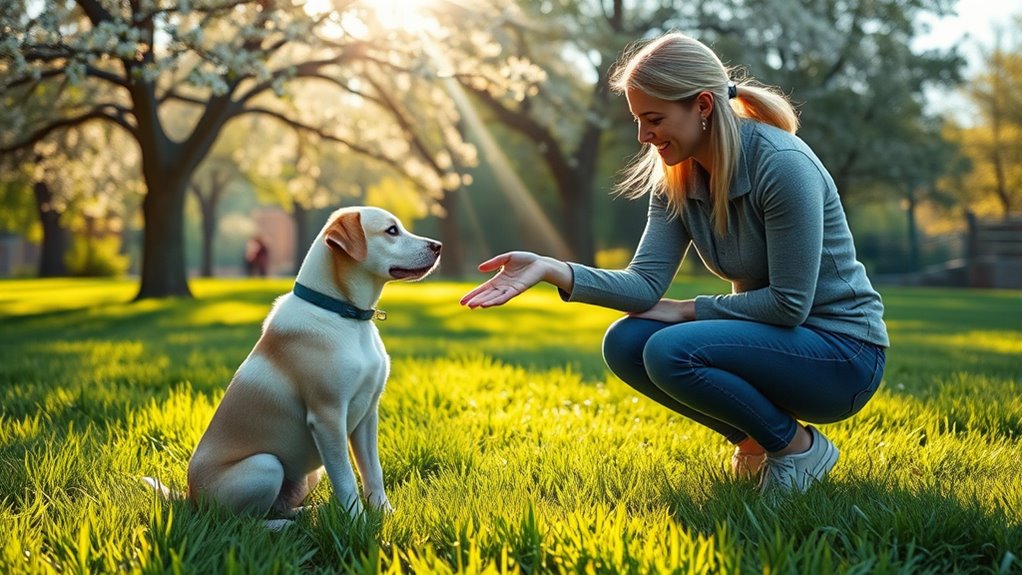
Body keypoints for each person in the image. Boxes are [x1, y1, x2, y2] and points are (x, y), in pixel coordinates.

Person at [460, 32, 888, 494]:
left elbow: (788, 304)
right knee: (627, 341)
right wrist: (551, 269)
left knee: (670, 349)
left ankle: (799, 450)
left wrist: (685, 309)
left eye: (654, 119)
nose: (643, 136)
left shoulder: (781, 165)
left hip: (843, 356)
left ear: (703, 105)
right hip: (778, 344)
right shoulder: (678, 175)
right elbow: (644, 285)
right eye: (638, 120)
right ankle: (755, 441)